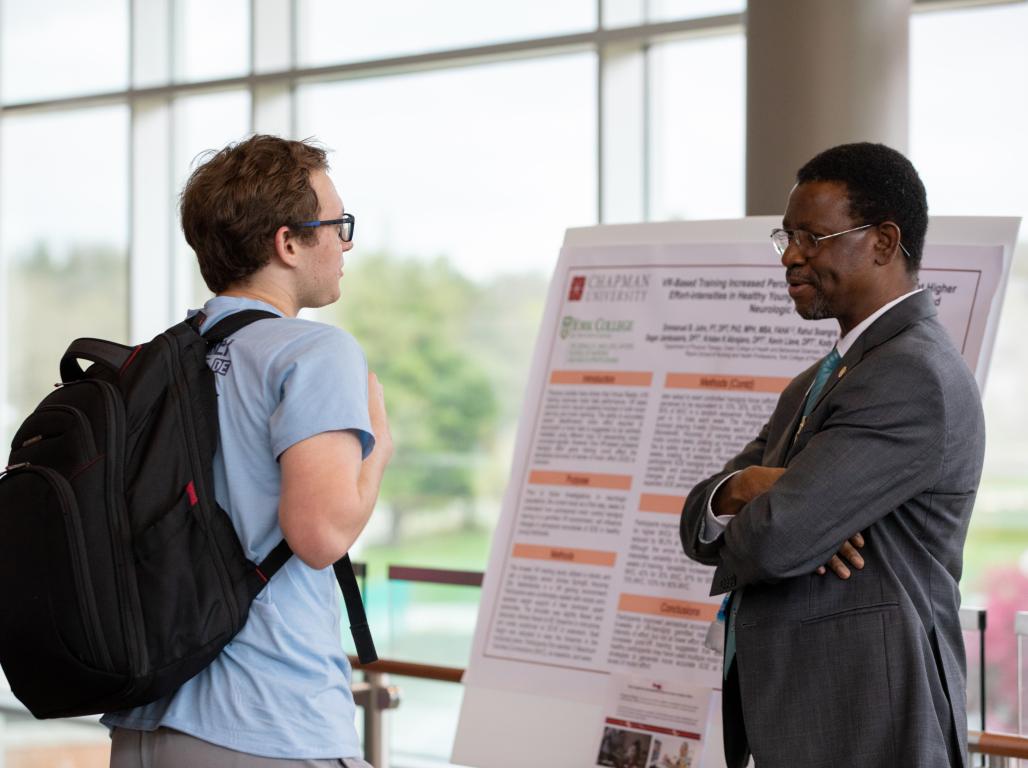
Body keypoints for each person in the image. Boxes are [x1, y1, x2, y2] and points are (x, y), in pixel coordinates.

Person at [680, 142, 984, 768]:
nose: (791, 256)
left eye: (813, 237)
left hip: (870, 718)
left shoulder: (911, 375)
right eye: (787, 236)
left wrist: (786, 506)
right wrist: (745, 488)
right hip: (812, 714)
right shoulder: (821, 380)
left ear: (882, 241)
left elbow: (776, 540)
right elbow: (698, 519)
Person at [102, 134, 393, 767]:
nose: (345, 244)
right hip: (270, 717)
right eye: (336, 225)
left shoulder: (161, 360)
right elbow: (318, 533)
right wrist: (379, 455)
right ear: (288, 243)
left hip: (146, 718)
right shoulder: (313, 352)